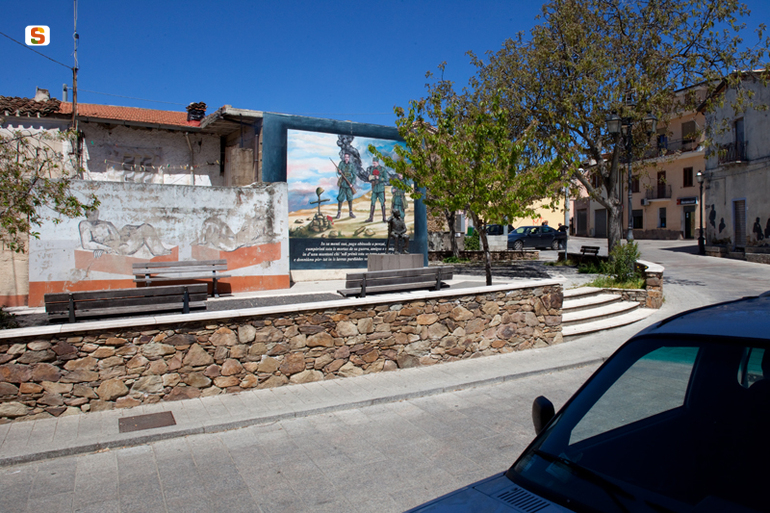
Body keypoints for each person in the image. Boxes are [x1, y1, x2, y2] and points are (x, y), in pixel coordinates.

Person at [78, 209, 171, 258]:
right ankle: (158, 251)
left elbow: (117, 236)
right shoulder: (85, 224)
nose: (93, 215)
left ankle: (159, 250)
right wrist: (103, 248)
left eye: (95, 213)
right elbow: (86, 244)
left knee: (144, 227)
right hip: (118, 248)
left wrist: (126, 230)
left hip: (120, 243)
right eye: (91, 213)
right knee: (145, 229)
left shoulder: (105, 223)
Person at [365, 158, 388, 223]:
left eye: (375, 163)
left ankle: (384, 218)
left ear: (378, 162)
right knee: (372, 202)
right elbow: (370, 177)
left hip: (380, 188)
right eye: (373, 163)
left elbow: (386, 179)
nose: (374, 164)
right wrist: (372, 177)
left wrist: (379, 178)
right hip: (374, 188)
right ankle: (371, 218)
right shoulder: (372, 169)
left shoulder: (382, 169)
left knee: (382, 203)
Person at [335, 153, 356, 219]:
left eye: (347, 157)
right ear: (344, 157)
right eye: (345, 157)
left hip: (349, 183)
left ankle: (351, 213)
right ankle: (339, 213)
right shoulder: (341, 163)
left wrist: (352, 183)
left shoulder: (351, 165)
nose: (346, 158)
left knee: (350, 198)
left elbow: (354, 175)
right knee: (340, 198)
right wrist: (339, 171)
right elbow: (338, 172)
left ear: (349, 158)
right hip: (343, 183)